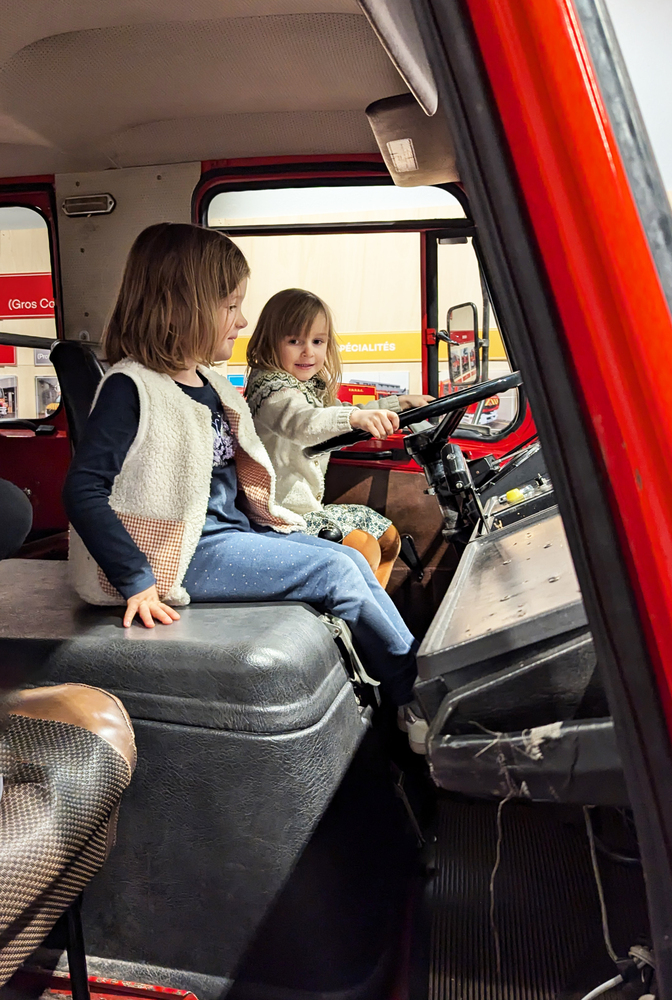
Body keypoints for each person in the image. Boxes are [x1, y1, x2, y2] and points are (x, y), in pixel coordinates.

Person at [62, 223, 428, 752]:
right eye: (231, 306)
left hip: (227, 534)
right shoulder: (130, 387)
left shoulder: (208, 383)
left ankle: (414, 677)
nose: (243, 320)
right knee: (334, 570)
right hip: (179, 554)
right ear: (183, 307)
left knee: (347, 558)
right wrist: (136, 580)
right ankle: (413, 696)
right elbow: (83, 490)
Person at [244, 288, 432, 587]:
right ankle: (352, 608)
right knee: (363, 548)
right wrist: (353, 418)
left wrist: (398, 404)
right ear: (269, 342)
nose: (308, 352)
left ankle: (368, 602)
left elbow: (340, 414)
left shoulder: (307, 387)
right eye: (294, 341)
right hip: (277, 516)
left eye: (317, 341)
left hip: (306, 509)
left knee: (387, 538)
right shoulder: (271, 390)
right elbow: (302, 422)